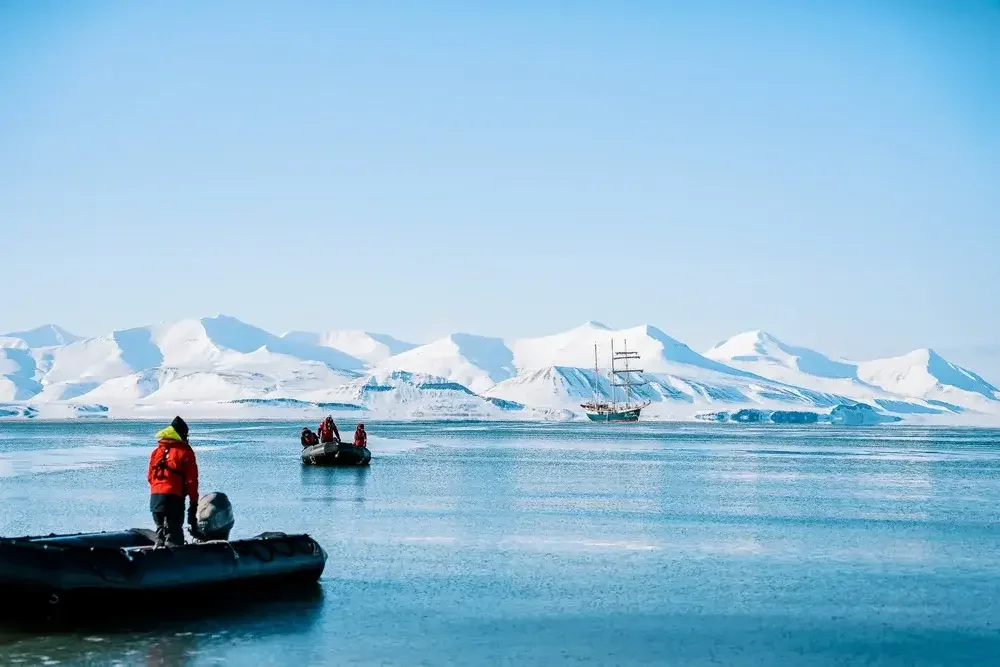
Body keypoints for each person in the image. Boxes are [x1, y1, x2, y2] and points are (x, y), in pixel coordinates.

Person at [147, 416, 199, 548]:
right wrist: (193, 503)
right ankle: (177, 561)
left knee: (160, 531)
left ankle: (158, 554)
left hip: (156, 499)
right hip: (173, 499)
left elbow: (150, 477)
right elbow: (192, 481)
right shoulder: (185, 452)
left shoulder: (156, 452)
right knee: (174, 534)